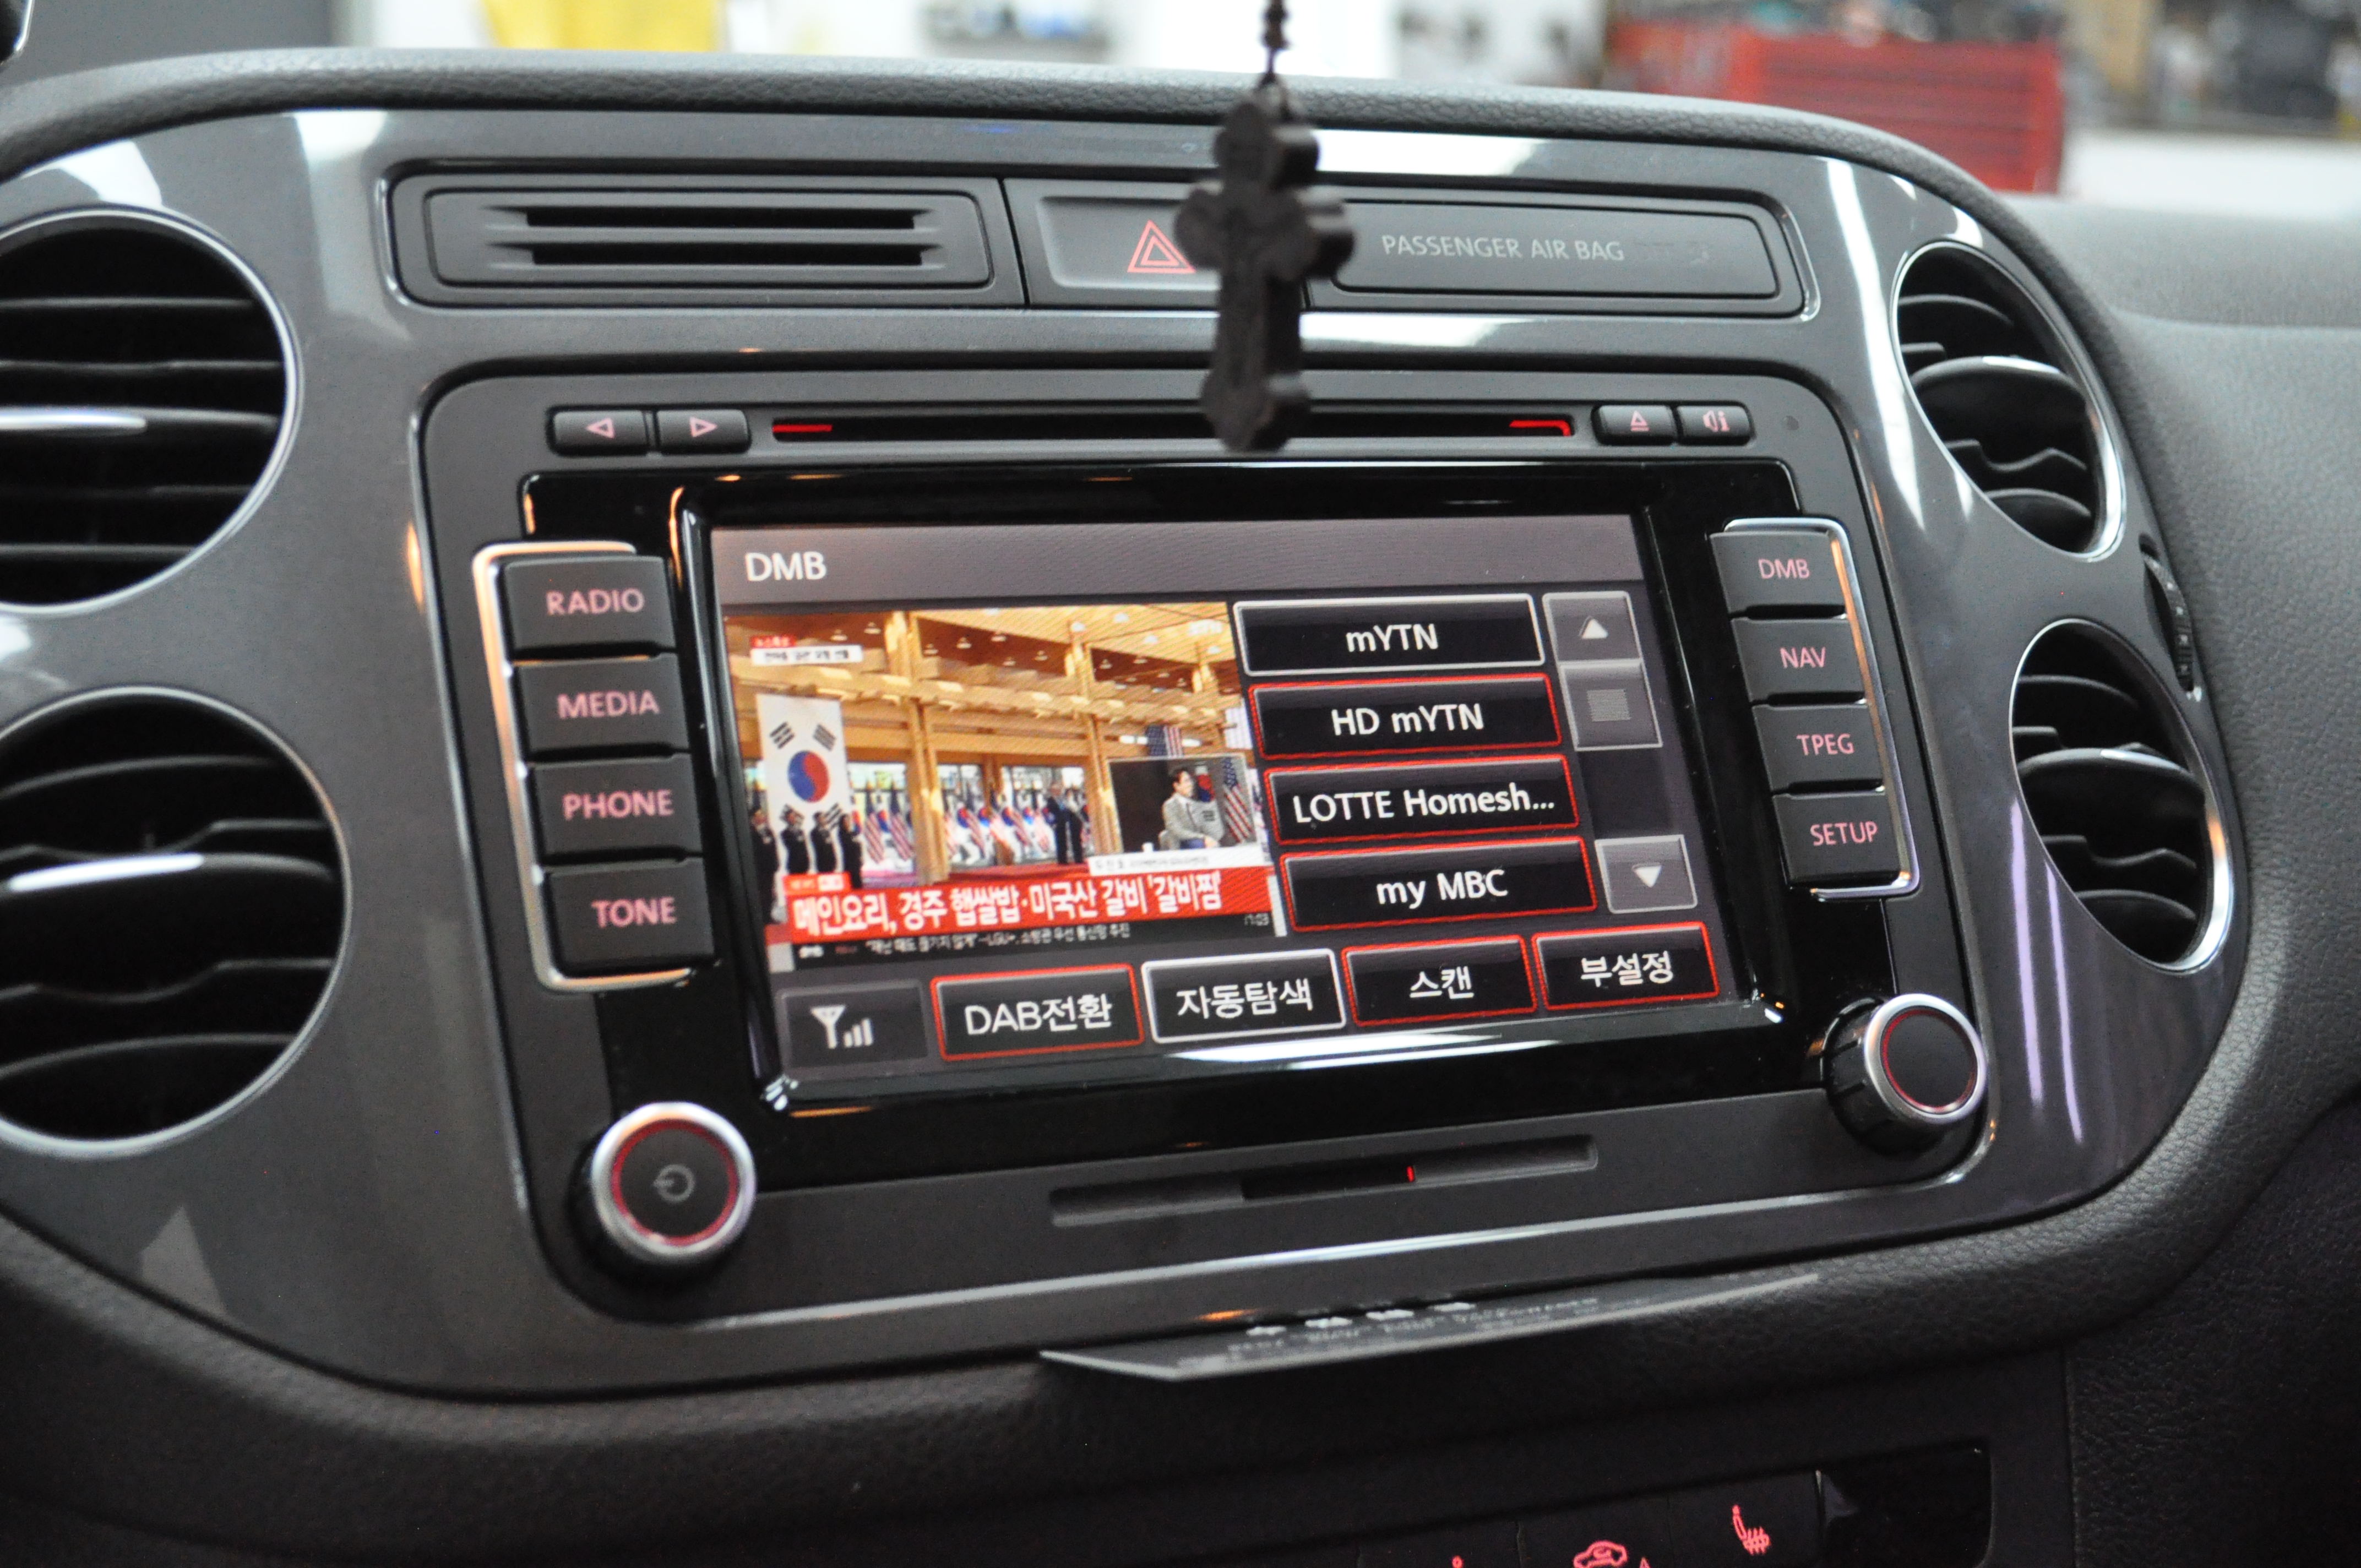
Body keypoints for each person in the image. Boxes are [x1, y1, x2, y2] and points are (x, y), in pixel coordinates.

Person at [1160, 769, 1208, 850]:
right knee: (1199, 844)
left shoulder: (1195, 804)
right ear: (1177, 786)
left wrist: (1208, 839)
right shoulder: (1170, 805)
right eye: (1187, 781)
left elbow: (1203, 827)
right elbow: (1178, 831)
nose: (1191, 785)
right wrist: (1203, 837)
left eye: (1191, 781)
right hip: (1181, 845)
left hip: (1198, 841)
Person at [748, 804, 781, 922]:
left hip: (770, 867)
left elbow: (773, 847)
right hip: (759, 868)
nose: (761, 817)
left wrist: (776, 861)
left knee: (769, 892)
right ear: (753, 818)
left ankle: (768, 915)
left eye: (762, 815)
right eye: (758, 815)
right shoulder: (751, 832)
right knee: (761, 892)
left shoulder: (768, 831)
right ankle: (760, 917)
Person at [835, 809, 865, 890]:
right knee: (851, 882)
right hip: (850, 862)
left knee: (859, 882)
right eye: (845, 821)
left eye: (848, 821)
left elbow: (858, 845)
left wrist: (860, 856)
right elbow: (849, 845)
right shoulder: (842, 834)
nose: (848, 823)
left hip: (857, 861)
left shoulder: (853, 833)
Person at [780, 809, 810, 876]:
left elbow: (804, 846)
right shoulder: (785, 833)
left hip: (804, 862)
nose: (793, 819)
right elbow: (790, 847)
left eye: (794, 817)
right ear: (787, 819)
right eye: (791, 817)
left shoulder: (800, 831)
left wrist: (807, 859)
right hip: (794, 863)